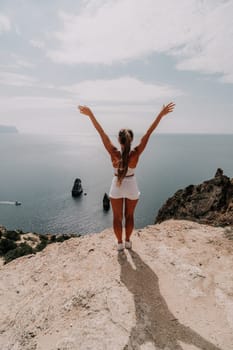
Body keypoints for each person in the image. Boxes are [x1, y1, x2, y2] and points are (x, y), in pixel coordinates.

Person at [78, 102, 175, 250]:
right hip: (131, 186)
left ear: (119, 140)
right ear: (131, 139)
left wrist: (91, 114)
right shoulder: (136, 153)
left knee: (117, 218)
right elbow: (149, 132)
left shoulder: (113, 153)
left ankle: (119, 244)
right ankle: (128, 241)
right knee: (129, 216)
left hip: (116, 186)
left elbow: (101, 133)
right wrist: (160, 115)